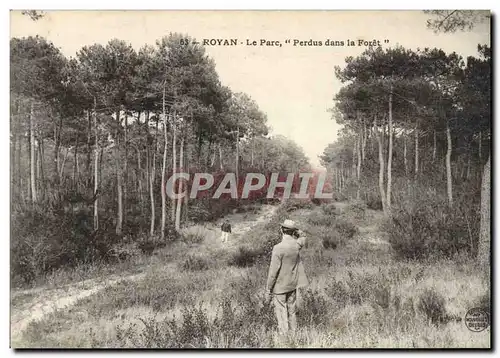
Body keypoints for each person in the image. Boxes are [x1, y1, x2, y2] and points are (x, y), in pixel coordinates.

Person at [266, 219, 309, 335]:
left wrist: (268, 288)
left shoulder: (278, 248)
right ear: (293, 232)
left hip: (280, 286)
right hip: (293, 284)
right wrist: (297, 231)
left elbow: (273, 272)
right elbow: (303, 236)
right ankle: (294, 334)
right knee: (292, 311)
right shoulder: (297, 244)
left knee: (281, 313)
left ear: (281, 230)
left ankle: (284, 338)